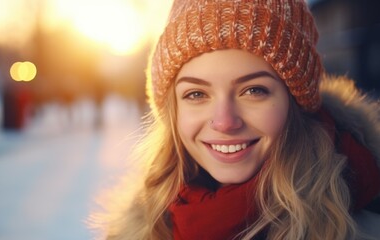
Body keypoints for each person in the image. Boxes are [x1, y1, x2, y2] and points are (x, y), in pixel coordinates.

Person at [93, 0, 380, 239]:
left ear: (295, 102)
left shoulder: (359, 228)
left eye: (254, 91)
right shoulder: (135, 230)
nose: (224, 122)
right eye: (196, 94)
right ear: (172, 111)